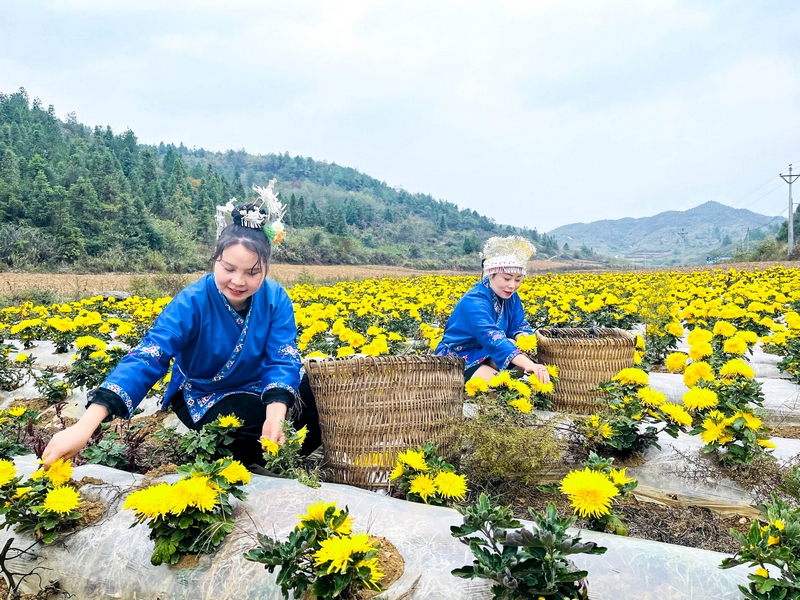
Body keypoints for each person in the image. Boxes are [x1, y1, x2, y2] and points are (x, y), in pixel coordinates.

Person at [43, 184, 320, 469]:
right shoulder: (191, 301)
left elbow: (282, 357)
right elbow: (150, 355)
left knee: (319, 393)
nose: (238, 281)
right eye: (228, 269)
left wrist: (276, 413)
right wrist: (84, 427)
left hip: (261, 387)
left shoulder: (276, 299)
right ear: (215, 257)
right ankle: (260, 457)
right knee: (240, 422)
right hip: (206, 394)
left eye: (252, 272)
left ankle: (279, 452)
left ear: (266, 268)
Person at [435, 235, 550, 385]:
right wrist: (529, 363)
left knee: (517, 367)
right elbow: (491, 336)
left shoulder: (512, 297)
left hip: (485, 351)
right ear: (491, 274)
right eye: (507, 278)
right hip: (459, 355)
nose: (512, 285)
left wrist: (522, 337)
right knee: (500, 385)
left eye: (518, 279)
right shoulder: (474, 301)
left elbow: (519, 324)